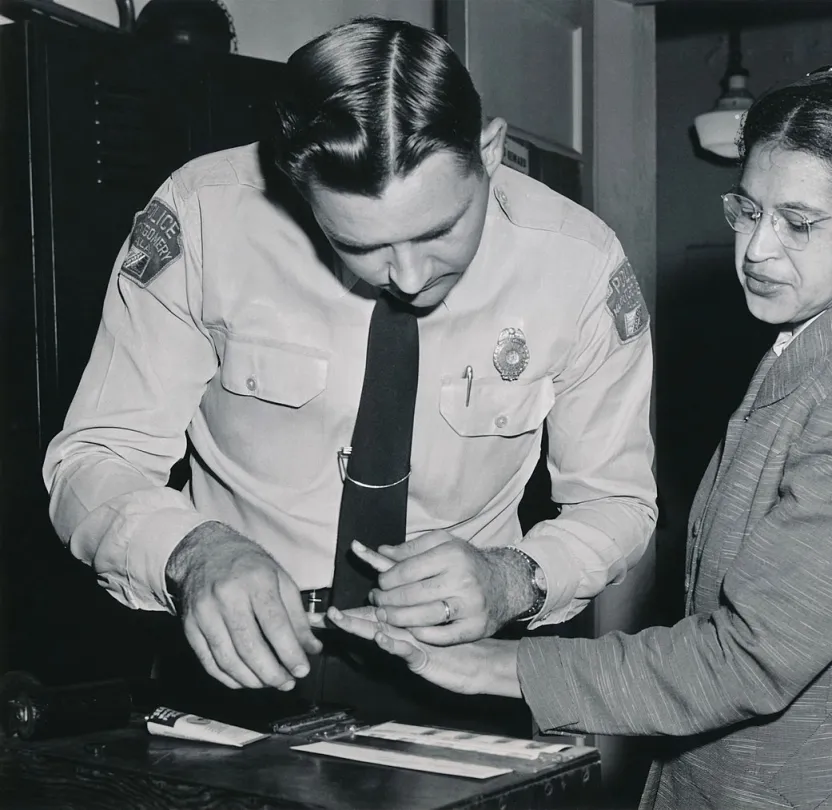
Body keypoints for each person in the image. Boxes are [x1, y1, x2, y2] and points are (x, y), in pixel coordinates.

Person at [331, 66, 832, 809]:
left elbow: (749, 659)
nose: (756, 249)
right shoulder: (816, 348)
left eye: (797, 223)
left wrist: (491, 666)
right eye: (747, 210)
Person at [41, 17, 656, 724]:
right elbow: (95, 456)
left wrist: (515, 576)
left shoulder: (577, 264)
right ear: (296, 186)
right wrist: (191, 552)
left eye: (440, 230)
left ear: (489, 150)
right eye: (359, 244)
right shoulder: (204, 216)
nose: (410, 276)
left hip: (465, 677)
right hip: (233, 669)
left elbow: (617, 501)